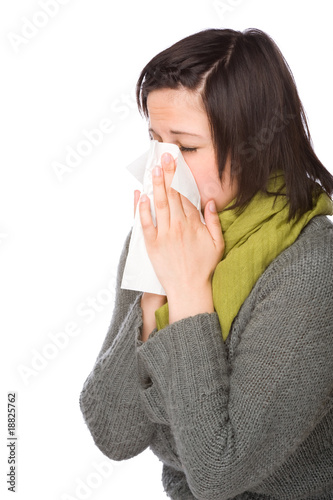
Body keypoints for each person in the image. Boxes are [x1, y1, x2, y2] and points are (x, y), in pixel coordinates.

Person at [79, 28, 333, 499]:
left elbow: (219, 472)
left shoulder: (312, 269)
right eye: (155, 141)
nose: (162, 169)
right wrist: (156, 286)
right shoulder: (162, 237)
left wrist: (189, 291)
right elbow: (114, 434)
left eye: (187, 147)